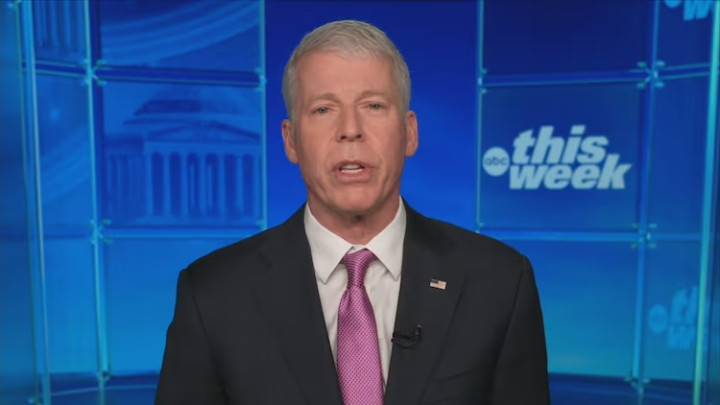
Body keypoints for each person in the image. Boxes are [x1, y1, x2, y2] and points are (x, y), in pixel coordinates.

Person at [156, 20, 550, 405]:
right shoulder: (212, 295)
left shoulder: (499, 282)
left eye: (373, 105)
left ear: (409, 133)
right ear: (291, 141)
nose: (350, 129)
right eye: (323, 109)